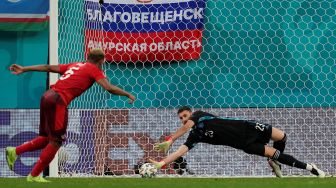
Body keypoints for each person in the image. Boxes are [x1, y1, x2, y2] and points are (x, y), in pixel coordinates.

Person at [6, 48, 136, 182]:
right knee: (56, 141)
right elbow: (109, 88)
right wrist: (128, 94)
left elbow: (47, 67)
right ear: (102, 60)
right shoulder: (94, 70)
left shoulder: (75, 65)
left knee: (46, 138)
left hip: (47, 96)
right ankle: (34, 176)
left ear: (88, 57)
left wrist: (24, 68)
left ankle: (14, 151)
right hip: (58, 101)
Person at [150, 106, 325, 178]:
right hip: (245, 145)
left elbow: (187, 126)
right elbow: (179, 152)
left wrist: (170, 138)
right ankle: (311, 168)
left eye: (184, 116)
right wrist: (161, 163)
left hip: (247, 127)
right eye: (180, 118)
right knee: (276, 153)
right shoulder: (195, 136)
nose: (183, 119)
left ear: (191, 113)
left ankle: (275, 162)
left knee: (282, 137)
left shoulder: (198, 116)